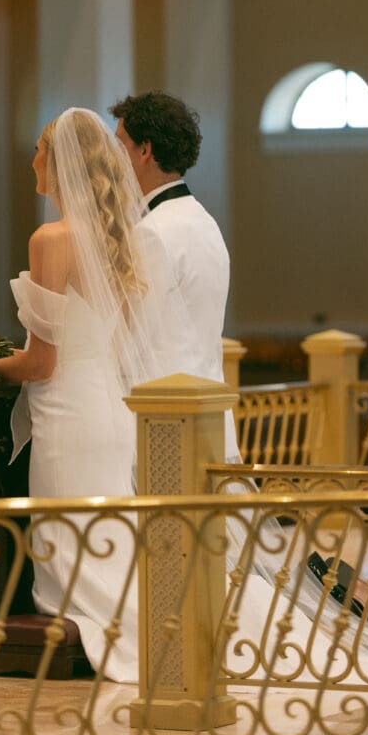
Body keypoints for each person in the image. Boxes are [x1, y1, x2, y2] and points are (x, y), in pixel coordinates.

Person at [0, 106, 166, 681]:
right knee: (108, 539)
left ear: (60, 162)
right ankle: (164, 627)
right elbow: (109, 343)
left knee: (77, 564)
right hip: (106, 410)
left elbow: (42, 362)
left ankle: (131, 635)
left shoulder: (52, 238)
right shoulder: (115, 239)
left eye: (38, 150)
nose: (32, 160)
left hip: (68, 419)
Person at [110, 91, 239, 460]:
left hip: (164, 412)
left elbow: (134, 337)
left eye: (120, 143)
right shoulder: (204, 221)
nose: (112, 157)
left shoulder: (151, 232)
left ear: (144, 150)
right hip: (209, 402)